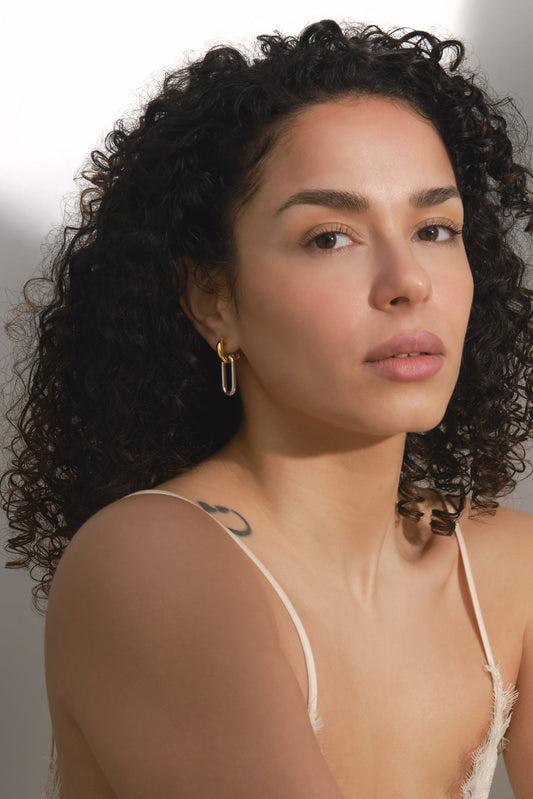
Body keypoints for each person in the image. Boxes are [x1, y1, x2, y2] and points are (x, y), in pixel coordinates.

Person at [2, 18, 533, 799]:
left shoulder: (506, 569)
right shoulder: (152, 562)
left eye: (433, 228)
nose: (407, 281)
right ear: (214, 300)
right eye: (329, 237)